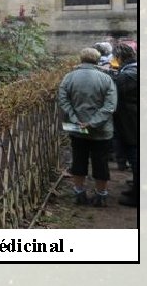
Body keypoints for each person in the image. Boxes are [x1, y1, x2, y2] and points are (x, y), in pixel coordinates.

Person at [58, 47, 117, 206]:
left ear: (80, 59)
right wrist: (93, 122)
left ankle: (79, 193)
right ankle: (101, 195)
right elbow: (110, 105)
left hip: (77, 129)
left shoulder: (69, 78)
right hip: (101, 130)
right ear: (97, 60)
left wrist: (75, 119)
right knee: (101, 162)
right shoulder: (106, 79)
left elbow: (64, 101)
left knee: (78, 160)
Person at [111, 42, 139, 207]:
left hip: (132, 121)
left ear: (120, 57)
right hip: (131, 119)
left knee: (135, 157)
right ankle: (135, 188)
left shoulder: (129, 74)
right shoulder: (132, 70)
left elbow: (117, 90)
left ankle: (138, 195)